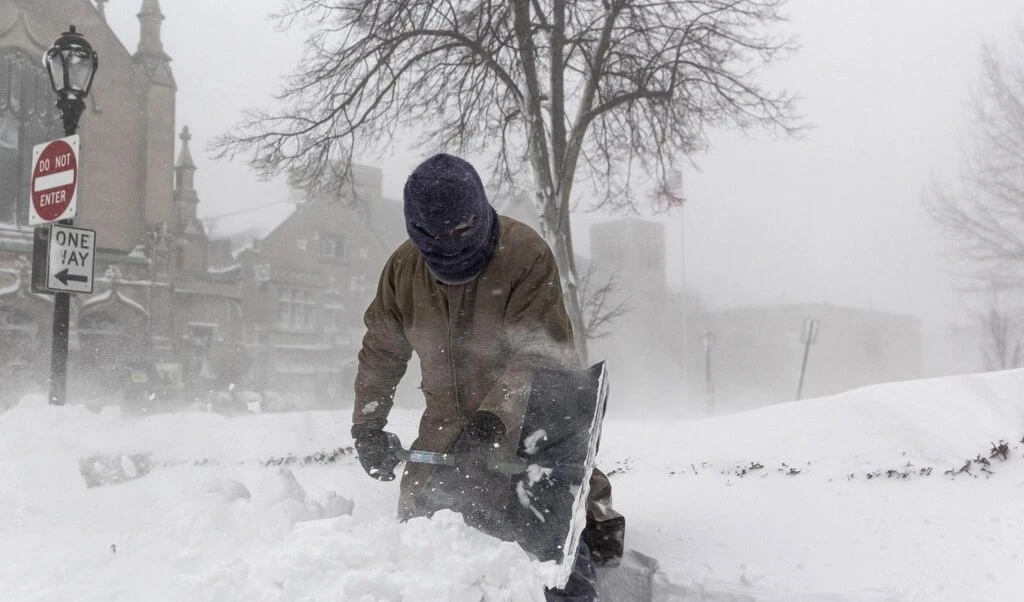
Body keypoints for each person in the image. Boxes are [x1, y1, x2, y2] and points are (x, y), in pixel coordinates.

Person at [350, 153, 623, 600]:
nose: (451, 244)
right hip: (443, 439)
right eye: (435, 236)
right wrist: (367, 426)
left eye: (460, 231)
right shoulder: (403, 270)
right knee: (429, 552)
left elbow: (541, 354)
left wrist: (494, 419)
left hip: (527, 433)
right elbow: (381, 351)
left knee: (549, 561)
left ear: (479, 210)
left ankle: (588, 524)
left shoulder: (524, 255)